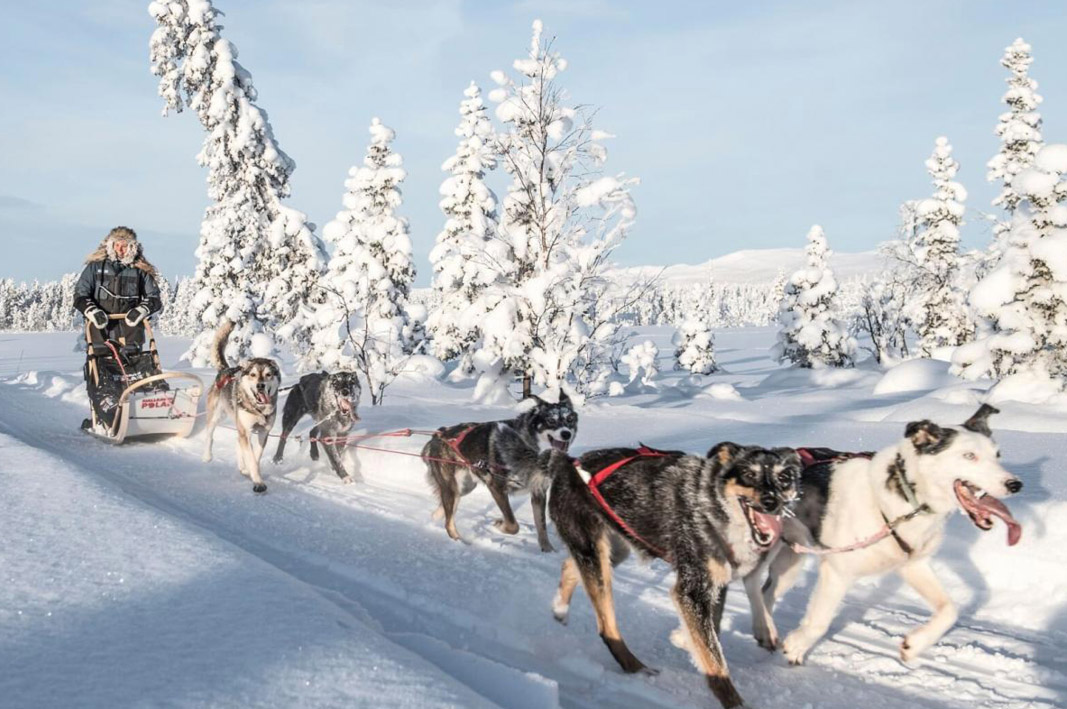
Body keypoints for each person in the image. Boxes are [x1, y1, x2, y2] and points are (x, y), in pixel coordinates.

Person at [73, 227, 163, 430]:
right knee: (100, 368)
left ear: (132, 247)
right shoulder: (95, 267)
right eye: (118, 245)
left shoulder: (140, 270)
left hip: (130, 327)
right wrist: (92, 311)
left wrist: (141, 310)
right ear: (111, 245)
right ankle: (104, 416)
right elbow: (80, 295)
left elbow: (154, 298)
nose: (121, 249)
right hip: (100, 327)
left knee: (134, 367)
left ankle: (144, 411)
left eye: (125, 245)